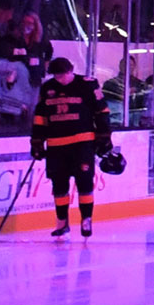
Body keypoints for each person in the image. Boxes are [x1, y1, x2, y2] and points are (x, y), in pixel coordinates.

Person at [31, 57, 107, 238]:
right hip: (56, 146)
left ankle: (86, 219)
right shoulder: (47, 88)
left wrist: (104, 136)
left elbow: (102, 111)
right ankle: (62, 222)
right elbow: (40, 117)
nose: (60, 79)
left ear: (71, 70)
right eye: (57, 76)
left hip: (82, 144)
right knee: (59, 186)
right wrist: (37, 142)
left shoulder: (87, 85)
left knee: (84, 183)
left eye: (63, 75)